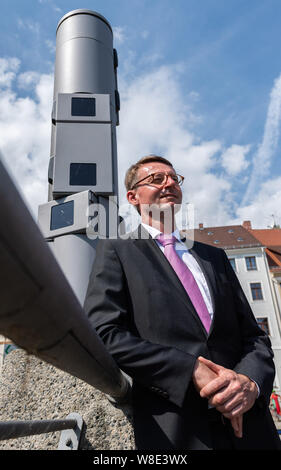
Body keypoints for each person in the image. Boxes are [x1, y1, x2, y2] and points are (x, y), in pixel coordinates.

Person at [84, 155, 281, 450]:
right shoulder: (117, 252)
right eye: (156, 179)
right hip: (176, 429)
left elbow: (254, 336)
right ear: (133, 197)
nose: (170, 183)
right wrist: (189, 369)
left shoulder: (214, 257)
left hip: (250, 426)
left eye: (175, 178)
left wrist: (250, 383)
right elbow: (105, 333)